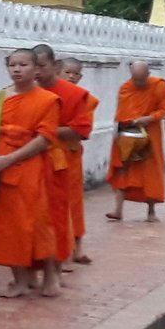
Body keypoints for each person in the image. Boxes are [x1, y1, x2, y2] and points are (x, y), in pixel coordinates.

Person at [0, 51, 60, 298]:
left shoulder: (48, 100)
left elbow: (44, 138)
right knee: (8, 226)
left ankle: (49, 275)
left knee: (37, 223)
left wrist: (11, 158)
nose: (17, 69)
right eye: (12, 65)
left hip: (30, 167)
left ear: (36, 69)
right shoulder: (1, 97)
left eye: (23, 65)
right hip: (0, 166)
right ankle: (19, 279)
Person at [32, 49, 89, 272]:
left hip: (63, 159)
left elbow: (82, 130)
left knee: (66, 207)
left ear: (54, 65)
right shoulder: (19, 92)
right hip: (29, 160)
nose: (36, 71)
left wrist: (47, 132)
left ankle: (66, 252)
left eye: (42, 66)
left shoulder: (74, 94)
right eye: (33, 66)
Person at [105, 62, 165, 221]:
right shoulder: (126, 88)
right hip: (128, 132)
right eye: (135, 80)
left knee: (150, 170)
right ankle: (118, 210)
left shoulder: (159, 86)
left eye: (142, 80)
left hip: (150, 132)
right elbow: (121, 113)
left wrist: (149, 118)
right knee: (123, 169)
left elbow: (164, 109)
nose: (138, 84)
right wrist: (131, 121)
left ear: (148, 75)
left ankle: (151, 211)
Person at [57, 60, 99, 263]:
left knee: (73, 202)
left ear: (81, 77)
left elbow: (83, 130)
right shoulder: (46, 94)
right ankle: (59, 251)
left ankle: (77, 247)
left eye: (75, 74)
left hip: (71, 154)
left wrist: (49, 131)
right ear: (58, 72)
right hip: (47, 154)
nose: (71, 77)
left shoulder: (83, 98)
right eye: (67, 72)